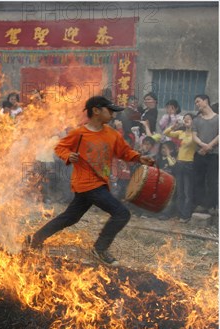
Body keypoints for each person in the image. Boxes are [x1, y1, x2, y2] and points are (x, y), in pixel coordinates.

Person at [25, 96, 155, 266]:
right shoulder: (79, 134)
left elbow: (124, 152)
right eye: (109, 110)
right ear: (96, 111)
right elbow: (60, 147)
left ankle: (35, 239)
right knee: (122, 213)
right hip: (87, 184)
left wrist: (139, 158)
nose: (113, 114)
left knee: (70, 217)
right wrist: (68, 156)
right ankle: (100, 248)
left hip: (99, 183)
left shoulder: (112, 134)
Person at [164, 113, 197, 222]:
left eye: (188, 119)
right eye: (184, 119)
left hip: (189, 164)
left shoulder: (195, 134)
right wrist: (174, 126)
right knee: (180, 190)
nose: (186, 120)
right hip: (179, 163)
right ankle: (180, 213)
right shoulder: (180, 133)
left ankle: (186, 215)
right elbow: (166, 133)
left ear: (193, 121)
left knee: (188, 191)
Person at [191, 94, 219, 215]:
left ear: (206, 101)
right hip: (200, 153)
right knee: (198, 179)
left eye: (198, 101)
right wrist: (203, 145)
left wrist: (209, 146)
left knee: (212, 180)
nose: (197, 104)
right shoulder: (196, 120)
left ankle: (212, 205)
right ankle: (201, 204)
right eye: (195, 102)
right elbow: (194, 136)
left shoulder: (218, 118)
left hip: (214, 154)